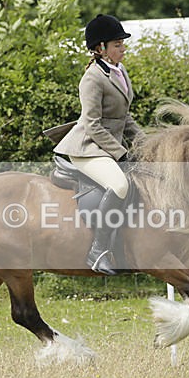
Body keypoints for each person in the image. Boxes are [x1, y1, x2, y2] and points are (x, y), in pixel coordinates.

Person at [54, 14, 145, 275]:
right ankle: (98, 250)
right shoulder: (92, 79)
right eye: (117, 44)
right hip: (86, 148)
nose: (122, 48)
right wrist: (122, 154)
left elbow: (123, 117)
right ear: (100, 48)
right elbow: (92, 125)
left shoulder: (119, 71)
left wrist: (146, 143)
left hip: (106, 146)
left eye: (122, 43)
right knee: (119, 185)